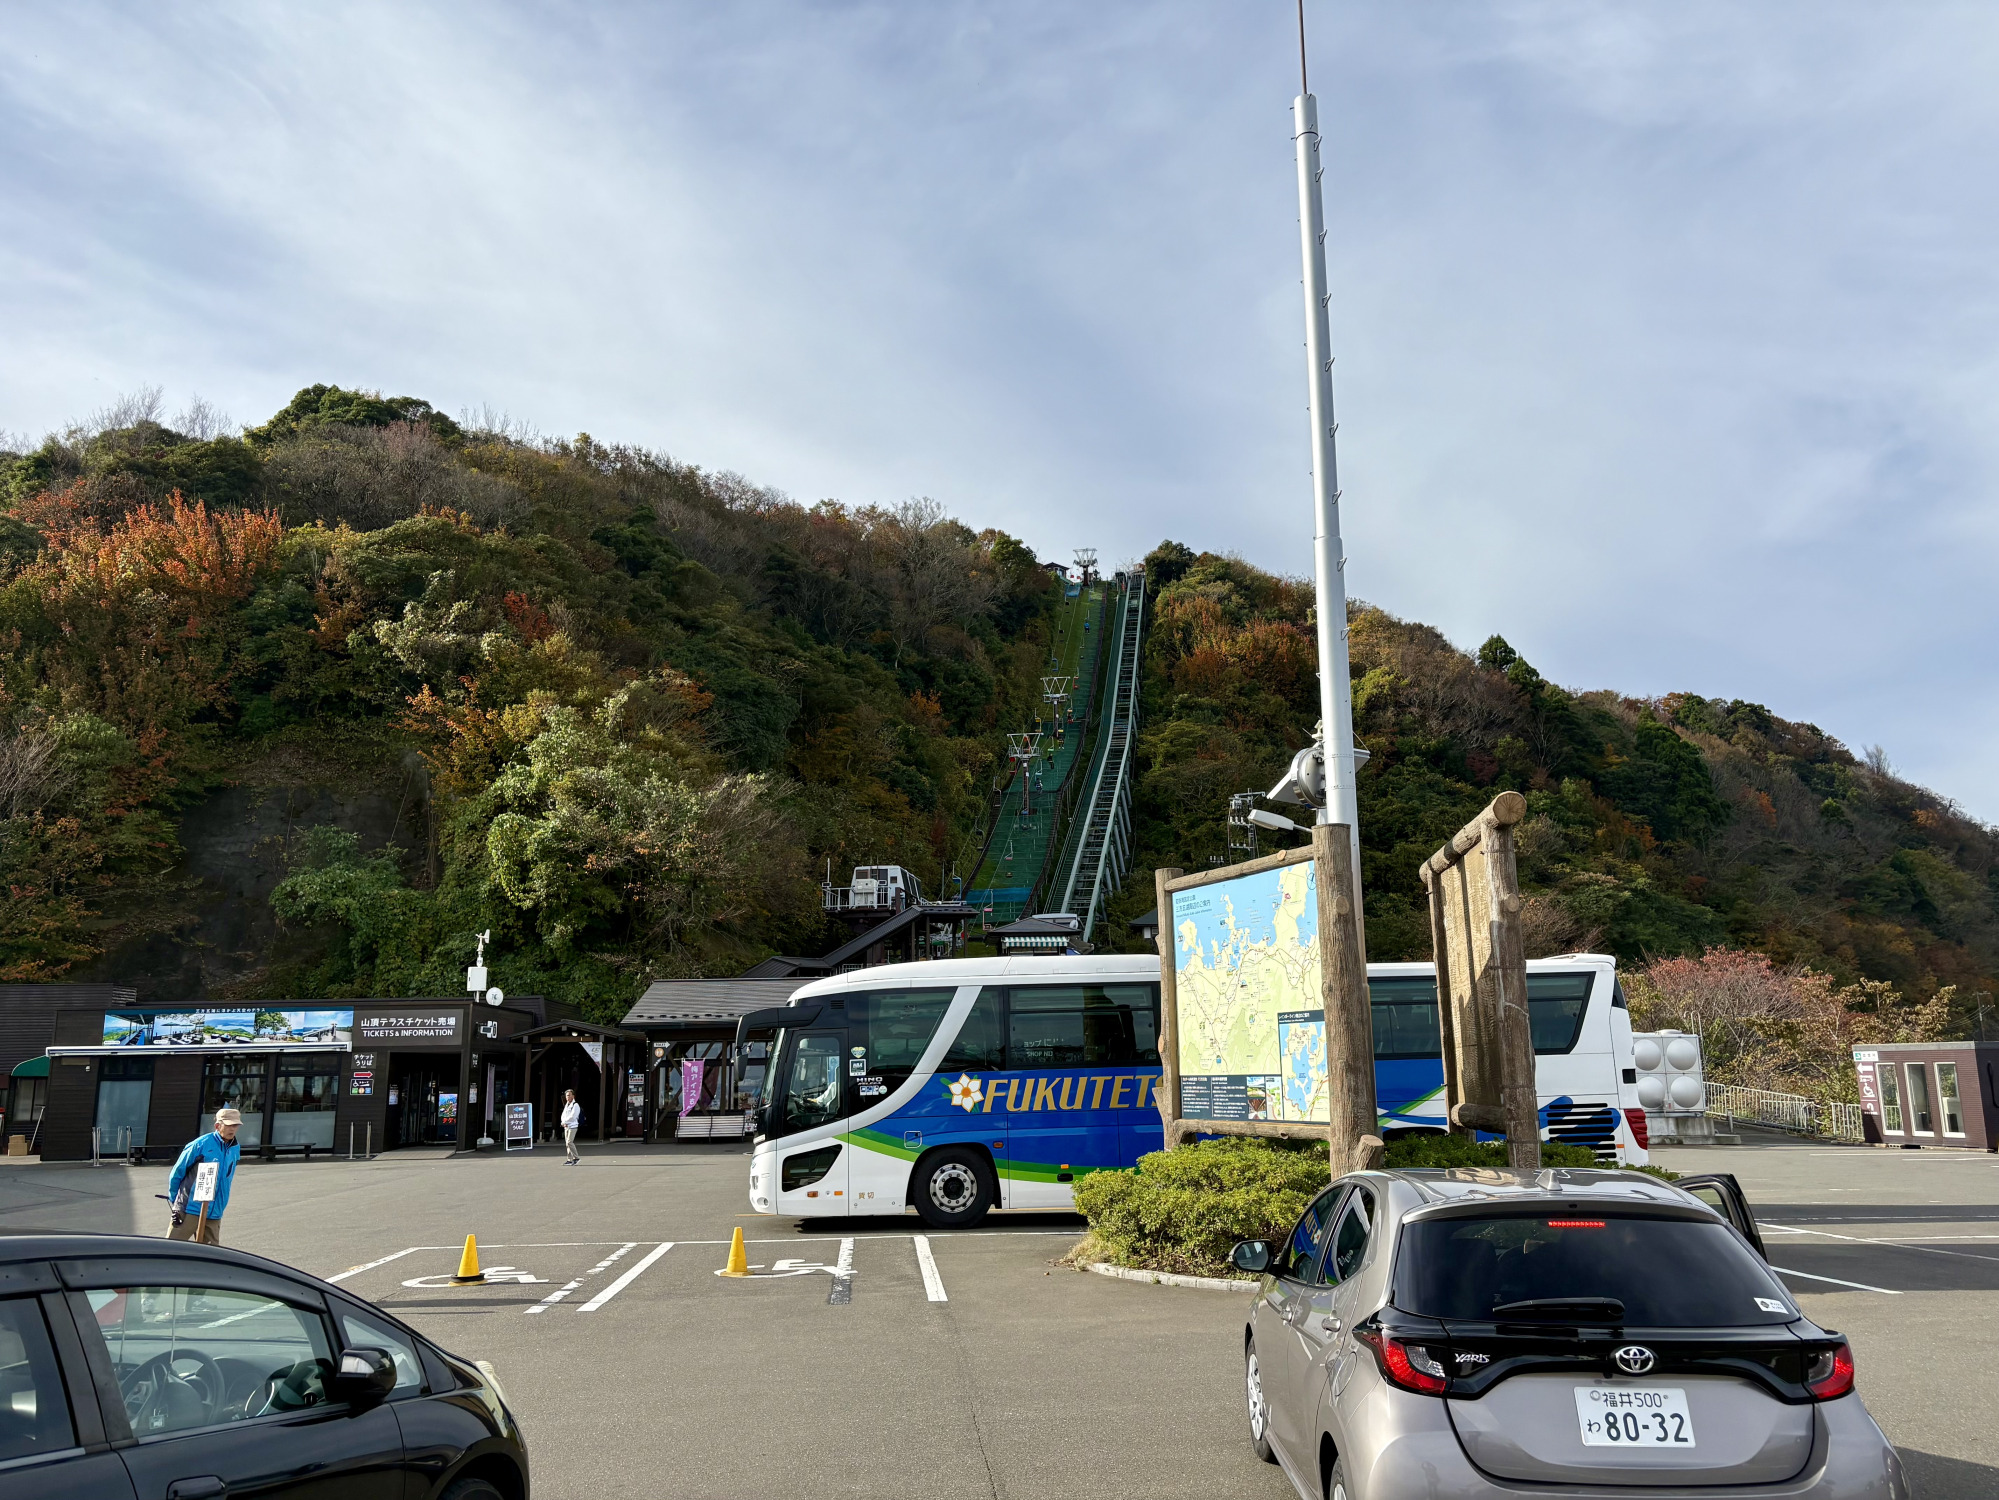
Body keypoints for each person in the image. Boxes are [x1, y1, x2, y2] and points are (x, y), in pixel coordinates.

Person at [167, 1107, 242, 1244]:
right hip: (189, 1208)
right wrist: (175, 1203)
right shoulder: (199, 1145)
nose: (232, 1129)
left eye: (235, 1125)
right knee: (170, 1249)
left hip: (215, 1211)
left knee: (211, 1256)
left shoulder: (235, 1148)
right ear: (218, 1125)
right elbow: (177, 1172)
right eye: (229, 1125)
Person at [561, 1089, 582, 1165]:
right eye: (567, 1095)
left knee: (570, 1142)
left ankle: (576, 1158)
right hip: (566, 1126)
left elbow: (573, 1116)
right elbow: (563, 1115)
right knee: (567, 1143)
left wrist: (565, 1122)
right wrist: (563, 1122)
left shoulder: (575, 1105)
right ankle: (569, 1159)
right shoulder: (567, 1105)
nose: (567, 1097)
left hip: (573, 1126)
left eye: (569, 1095)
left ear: (573, 1096)